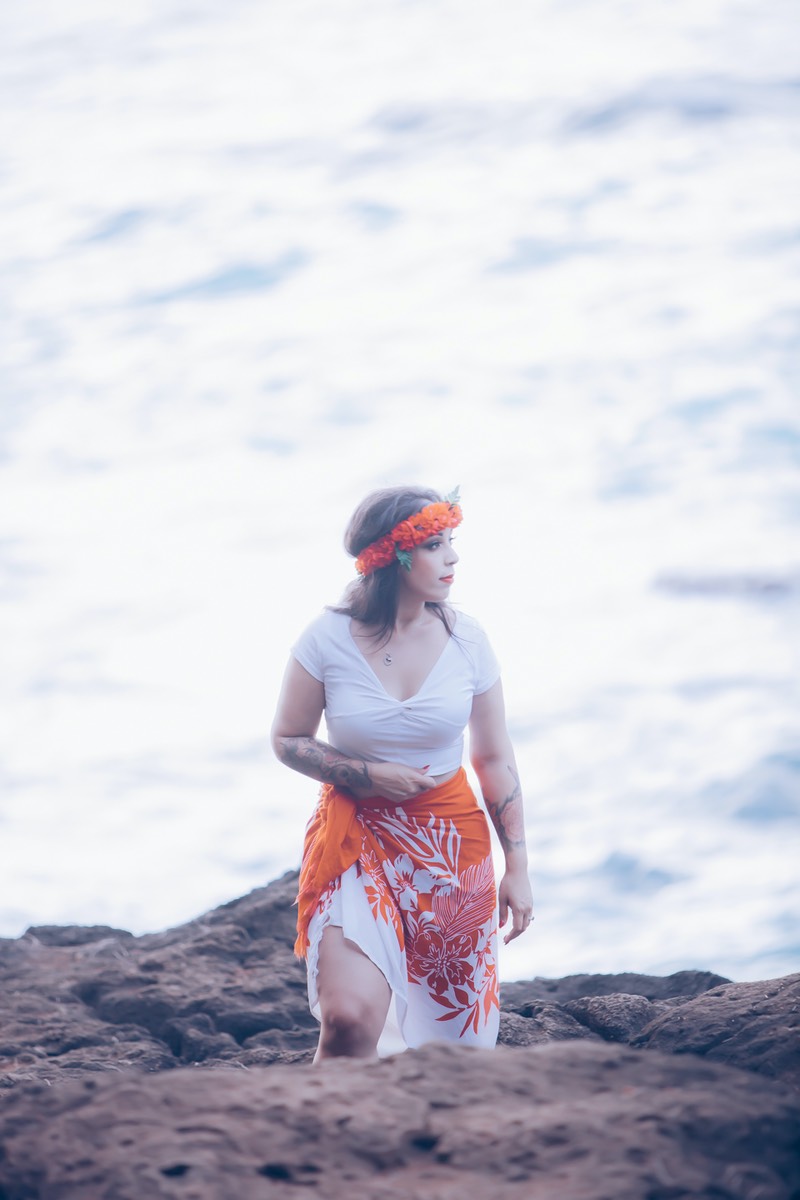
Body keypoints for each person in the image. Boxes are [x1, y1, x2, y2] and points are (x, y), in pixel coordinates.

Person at [271, 486, 533, 1060]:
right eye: (435, 545)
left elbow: (493, 758)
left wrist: (517, 867)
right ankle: (321, 1118)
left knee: (453, 1048)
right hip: (358, 841)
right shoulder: (326, 639)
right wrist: (366, 775)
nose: (452, 558)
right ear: (392, 556)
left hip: (450, 851)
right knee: (347, 1020)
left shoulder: (468, 640)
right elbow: (288, 740)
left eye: (451, 542)